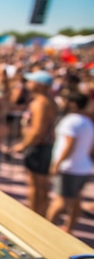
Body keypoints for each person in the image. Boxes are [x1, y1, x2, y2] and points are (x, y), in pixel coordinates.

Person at [46, 91, 94, 233]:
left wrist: (57, 164)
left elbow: (69, 145)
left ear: (72, 104)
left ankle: (44, 231)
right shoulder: (87, 121)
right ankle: (69, 229)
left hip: (69, 168)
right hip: (83, 167)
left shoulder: (71, 121)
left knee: (60, 201)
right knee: (75, 200)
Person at [12, 70, 59, 215]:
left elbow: (37, 130)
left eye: (31, 81)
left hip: (38, 147)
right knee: (41, 185)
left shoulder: (40, 103)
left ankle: (34, 215)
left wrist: (24, 145)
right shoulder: (49, 101)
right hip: (43, 147)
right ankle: (40, 213)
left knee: (36, 185)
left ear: (40, 85)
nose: (28, 84)